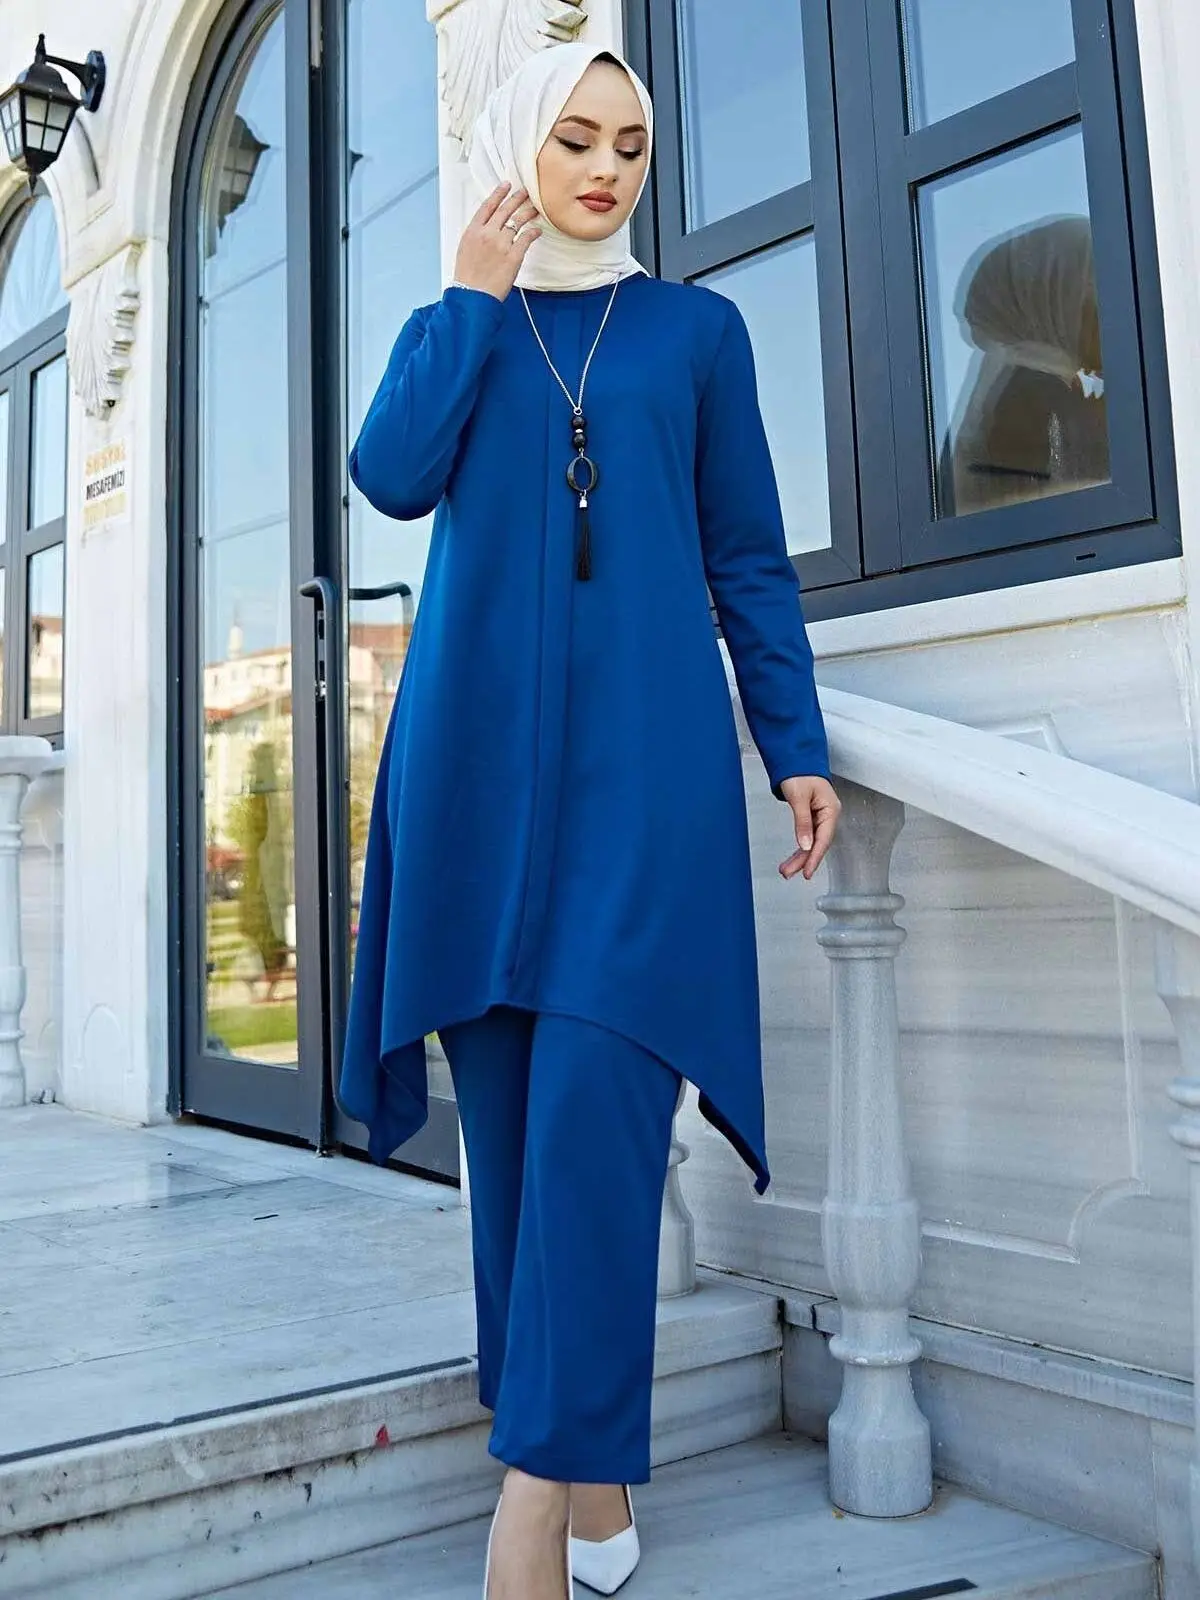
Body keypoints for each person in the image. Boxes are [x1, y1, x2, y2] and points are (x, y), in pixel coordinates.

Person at [339, 40, 840, 1600]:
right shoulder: (459, 324)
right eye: (574, 138)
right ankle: (599, 1475)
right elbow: (388, 476)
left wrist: (794, 741)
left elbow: (746, 553)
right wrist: (470, 299)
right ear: (521, 146)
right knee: (510, 1153)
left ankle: (529, 1510)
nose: (607, 168)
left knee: (597, 1131)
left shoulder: (697, 332)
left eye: (629, 142)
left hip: (645, 785)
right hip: (474, 781)